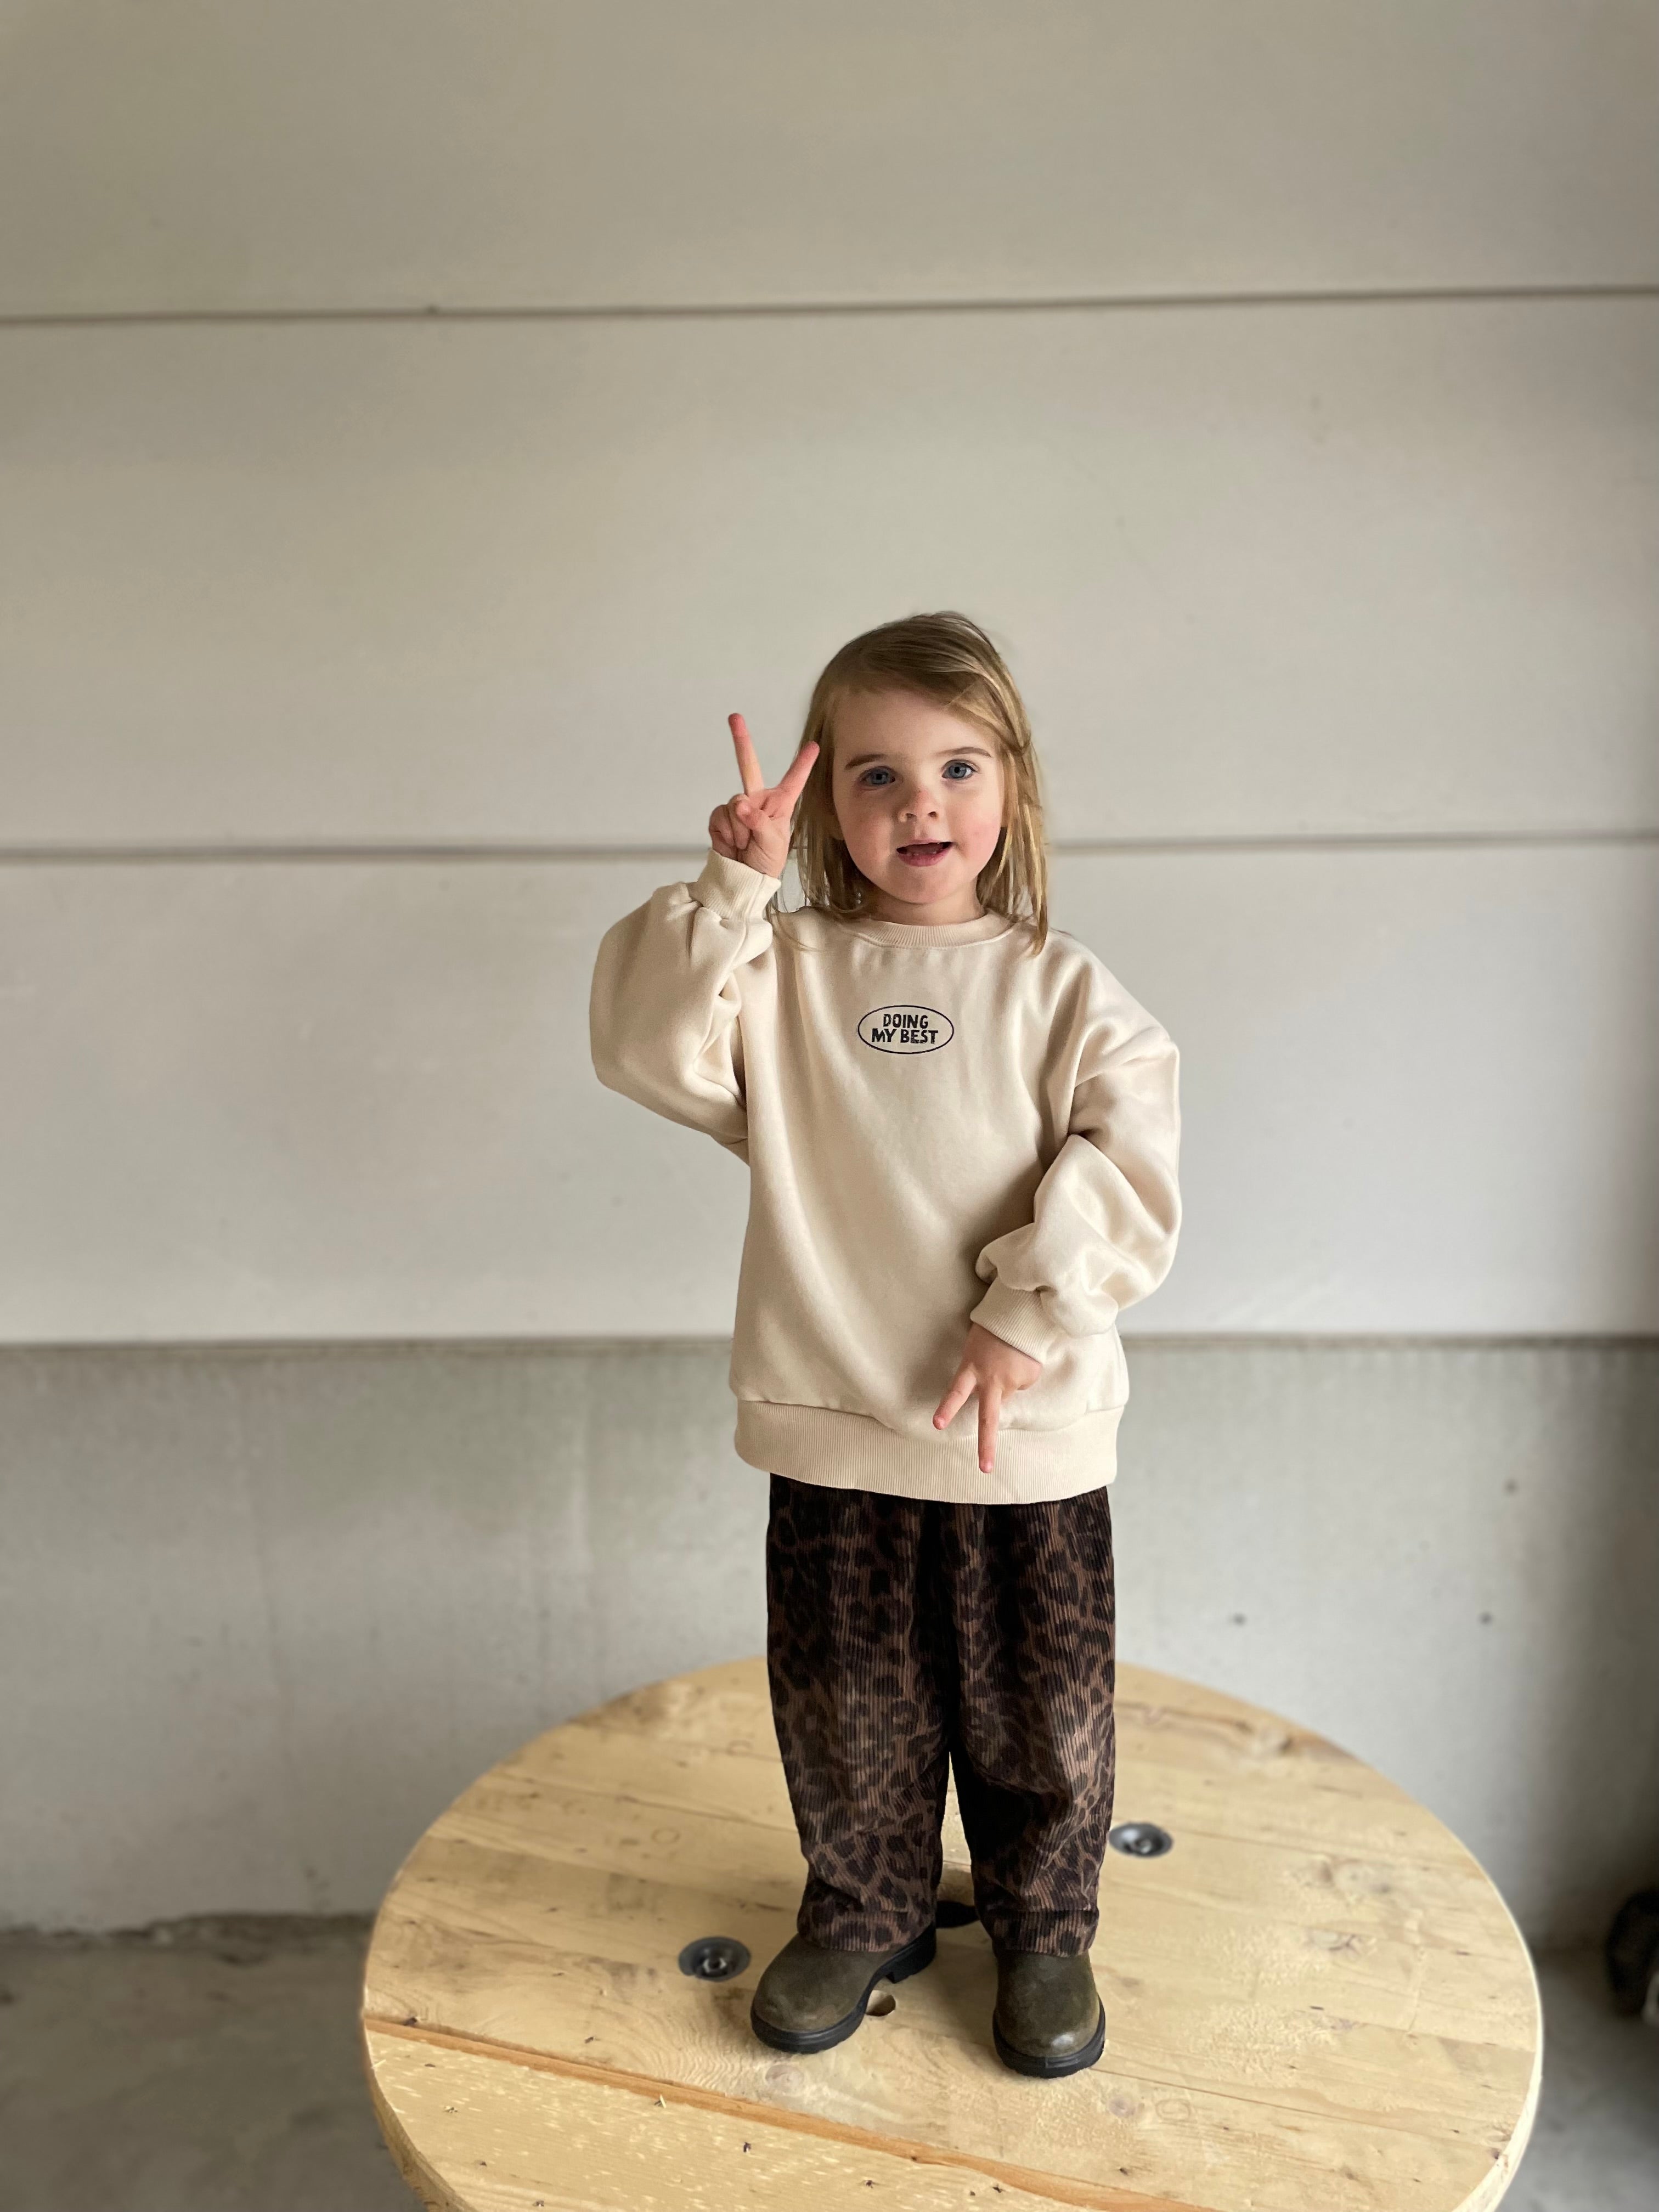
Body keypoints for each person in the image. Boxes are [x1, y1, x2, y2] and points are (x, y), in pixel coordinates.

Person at [589, 611, 1181, 2078]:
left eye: (959, 766)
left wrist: (1024, 1314)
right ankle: (865, 1910)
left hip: (1022, 1439)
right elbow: (644, 1047)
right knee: (846, 1699)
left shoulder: (1063, 988)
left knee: (1043, 1708)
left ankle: (1045, 1930)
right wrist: (731, 885)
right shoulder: (777, 973)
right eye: (876, 774)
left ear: (1013, 787)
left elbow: (1131, 1165)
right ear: (824, 806)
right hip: (833, 1416)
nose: (922, 803)